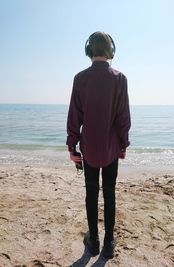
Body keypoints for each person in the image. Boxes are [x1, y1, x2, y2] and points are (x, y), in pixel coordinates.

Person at [66, 31, 131, 259]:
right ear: (111, 50)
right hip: (111, 147)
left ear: (88, 50)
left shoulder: (80, 78)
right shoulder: (120, 78)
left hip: (89, 148)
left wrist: (72, 147)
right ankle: (109, 242)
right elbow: (123, 117)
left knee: (91, 192)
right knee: (110, 192)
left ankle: (93, 240)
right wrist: (123, 144)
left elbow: (75, 116)